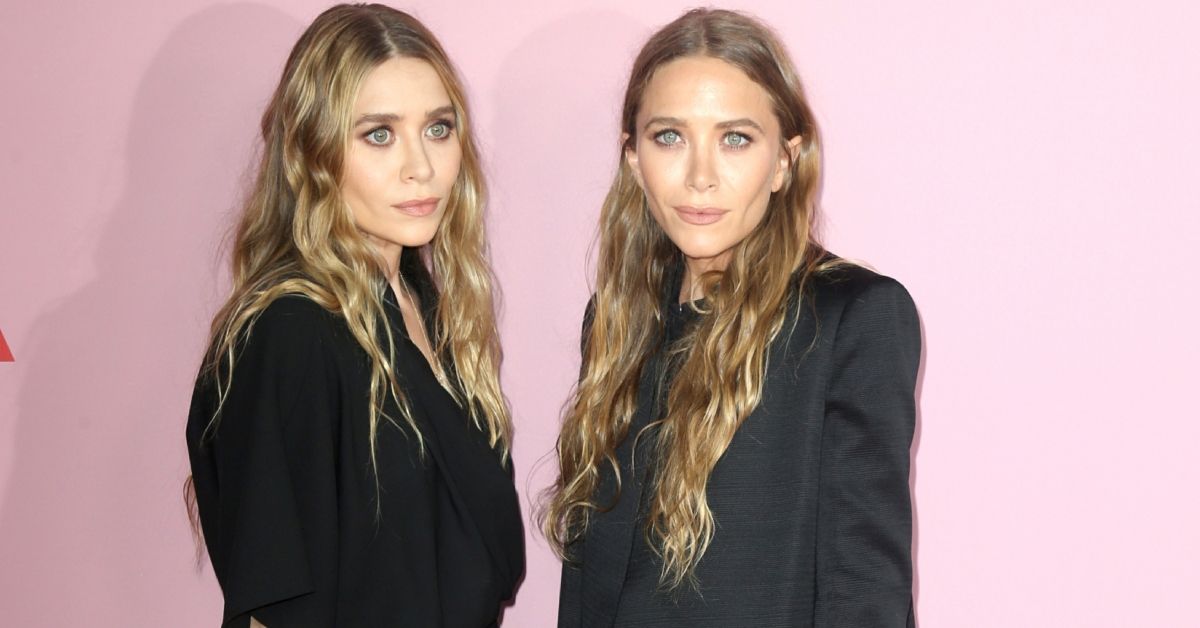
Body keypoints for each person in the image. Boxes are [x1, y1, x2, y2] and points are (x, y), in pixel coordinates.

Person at [543, 8, 921, 627]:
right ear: (633, 158)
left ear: (784, 161)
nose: (700, 178)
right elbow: (588, 584)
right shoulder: (613, 321)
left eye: (735, 139)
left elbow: (866, 593)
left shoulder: (854, 319)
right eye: (669, 137)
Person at [184, 5, 523, 627]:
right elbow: (273, 609)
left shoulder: (429, 311)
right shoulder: (289, 334)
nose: (421, 166)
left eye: (439, 128)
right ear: (312, 152)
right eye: (379, 134)